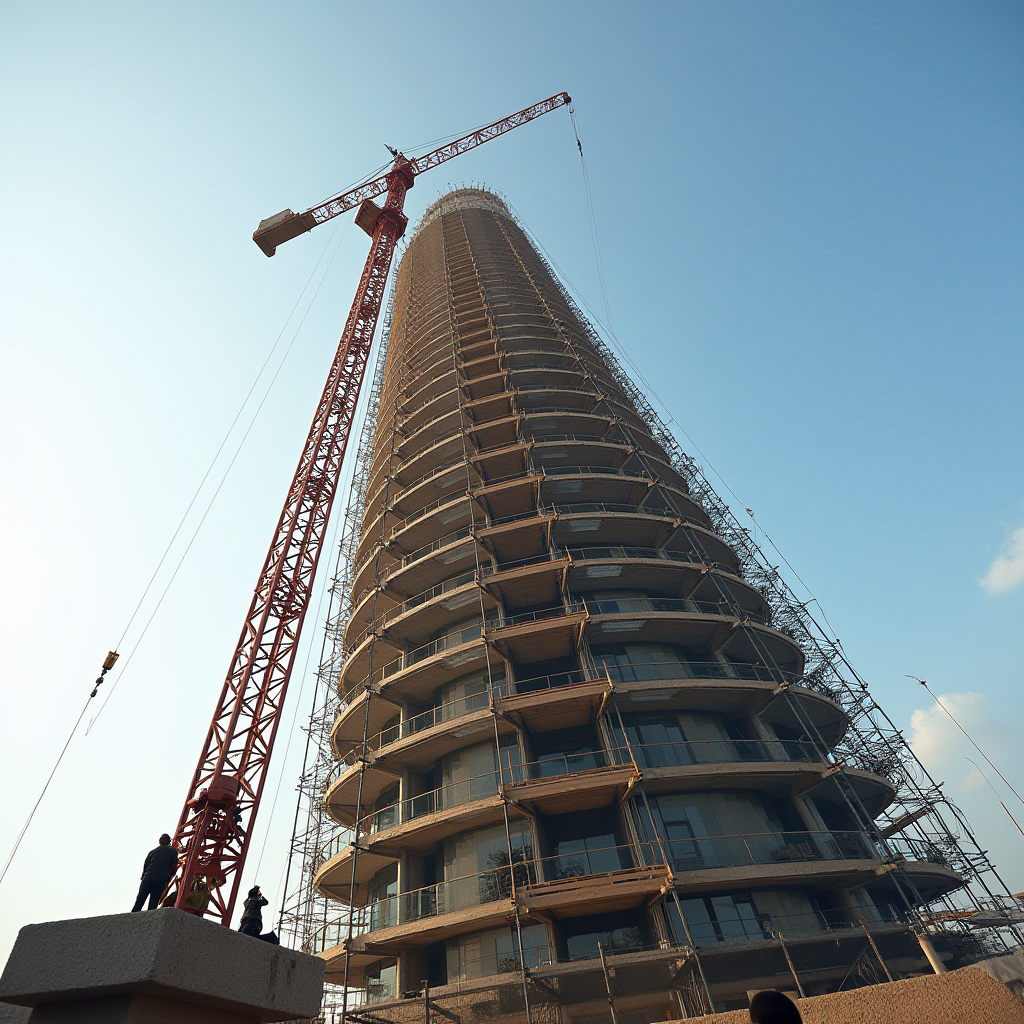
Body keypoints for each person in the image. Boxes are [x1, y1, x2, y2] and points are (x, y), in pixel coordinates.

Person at [131, 834, 179, 912]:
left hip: (148, 878)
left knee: (139, 902)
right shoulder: (172, 851)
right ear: (169, 842)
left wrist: (143, 876)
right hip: (161, 879)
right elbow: (174, 866)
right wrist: (170, 877)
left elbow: (145, 866)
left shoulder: (152, 852)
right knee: (153, 906)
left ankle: (131, 921)